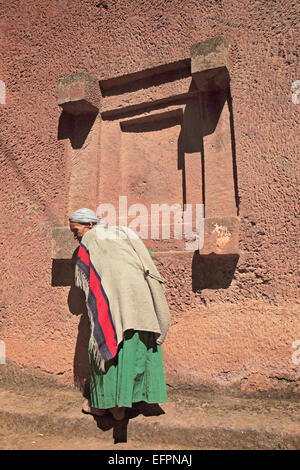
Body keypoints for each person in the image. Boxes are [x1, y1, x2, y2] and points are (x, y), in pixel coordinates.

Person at [69, 208, 170, 421]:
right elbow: (147, 256)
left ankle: (106, 406)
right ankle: (128, 402)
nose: (76, 236)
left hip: (115, 301)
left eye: (75, 230)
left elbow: (86, 271)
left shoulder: (90, 240)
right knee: (134, 345)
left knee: (105, 341)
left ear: (89, 225)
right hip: (139, 300)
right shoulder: (122, 232)